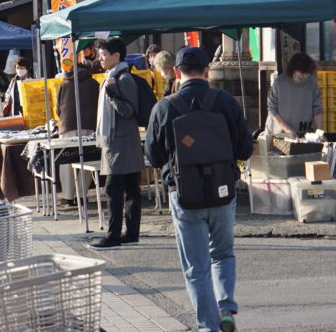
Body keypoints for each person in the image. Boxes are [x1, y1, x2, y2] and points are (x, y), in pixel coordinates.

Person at [145, 47, 252, 332]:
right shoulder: (226, 102)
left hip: (184, 196)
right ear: (207, 71)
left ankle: (209, 326)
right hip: (222, 192)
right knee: (223, 253)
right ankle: (226, 306)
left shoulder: (165, 107)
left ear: (177, 72)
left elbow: (153, 156)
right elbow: (245, 148)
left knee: (196, 266)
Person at [89, 38, 144, 251]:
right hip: (119, 141)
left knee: (114, 189)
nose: (100, 59)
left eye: (103, 55)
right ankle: (131, 234)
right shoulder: (112, 77)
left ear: (116, 56)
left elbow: (129, 110)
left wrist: (111, 93)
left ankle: (114, 235)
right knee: (131, 189)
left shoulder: (123, 79)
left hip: (120, 142)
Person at [56, 63, 100, 203]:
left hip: (67, 125)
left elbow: (58, 108)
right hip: (89, 125)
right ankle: (81, 196)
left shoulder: (64, 83)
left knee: (67, 161)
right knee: (86, 160)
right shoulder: (93, 83)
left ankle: (68, 196)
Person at [265, 52, 323, 139]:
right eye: (299, 76)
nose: (302, 78)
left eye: (305, 76)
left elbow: (317, 110)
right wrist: (287, 129)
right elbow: (272, 110)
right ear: (292, 71)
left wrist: (320, 133)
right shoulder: (279, 83)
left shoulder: (312, 84)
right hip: (278, 134)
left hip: (303, 133)